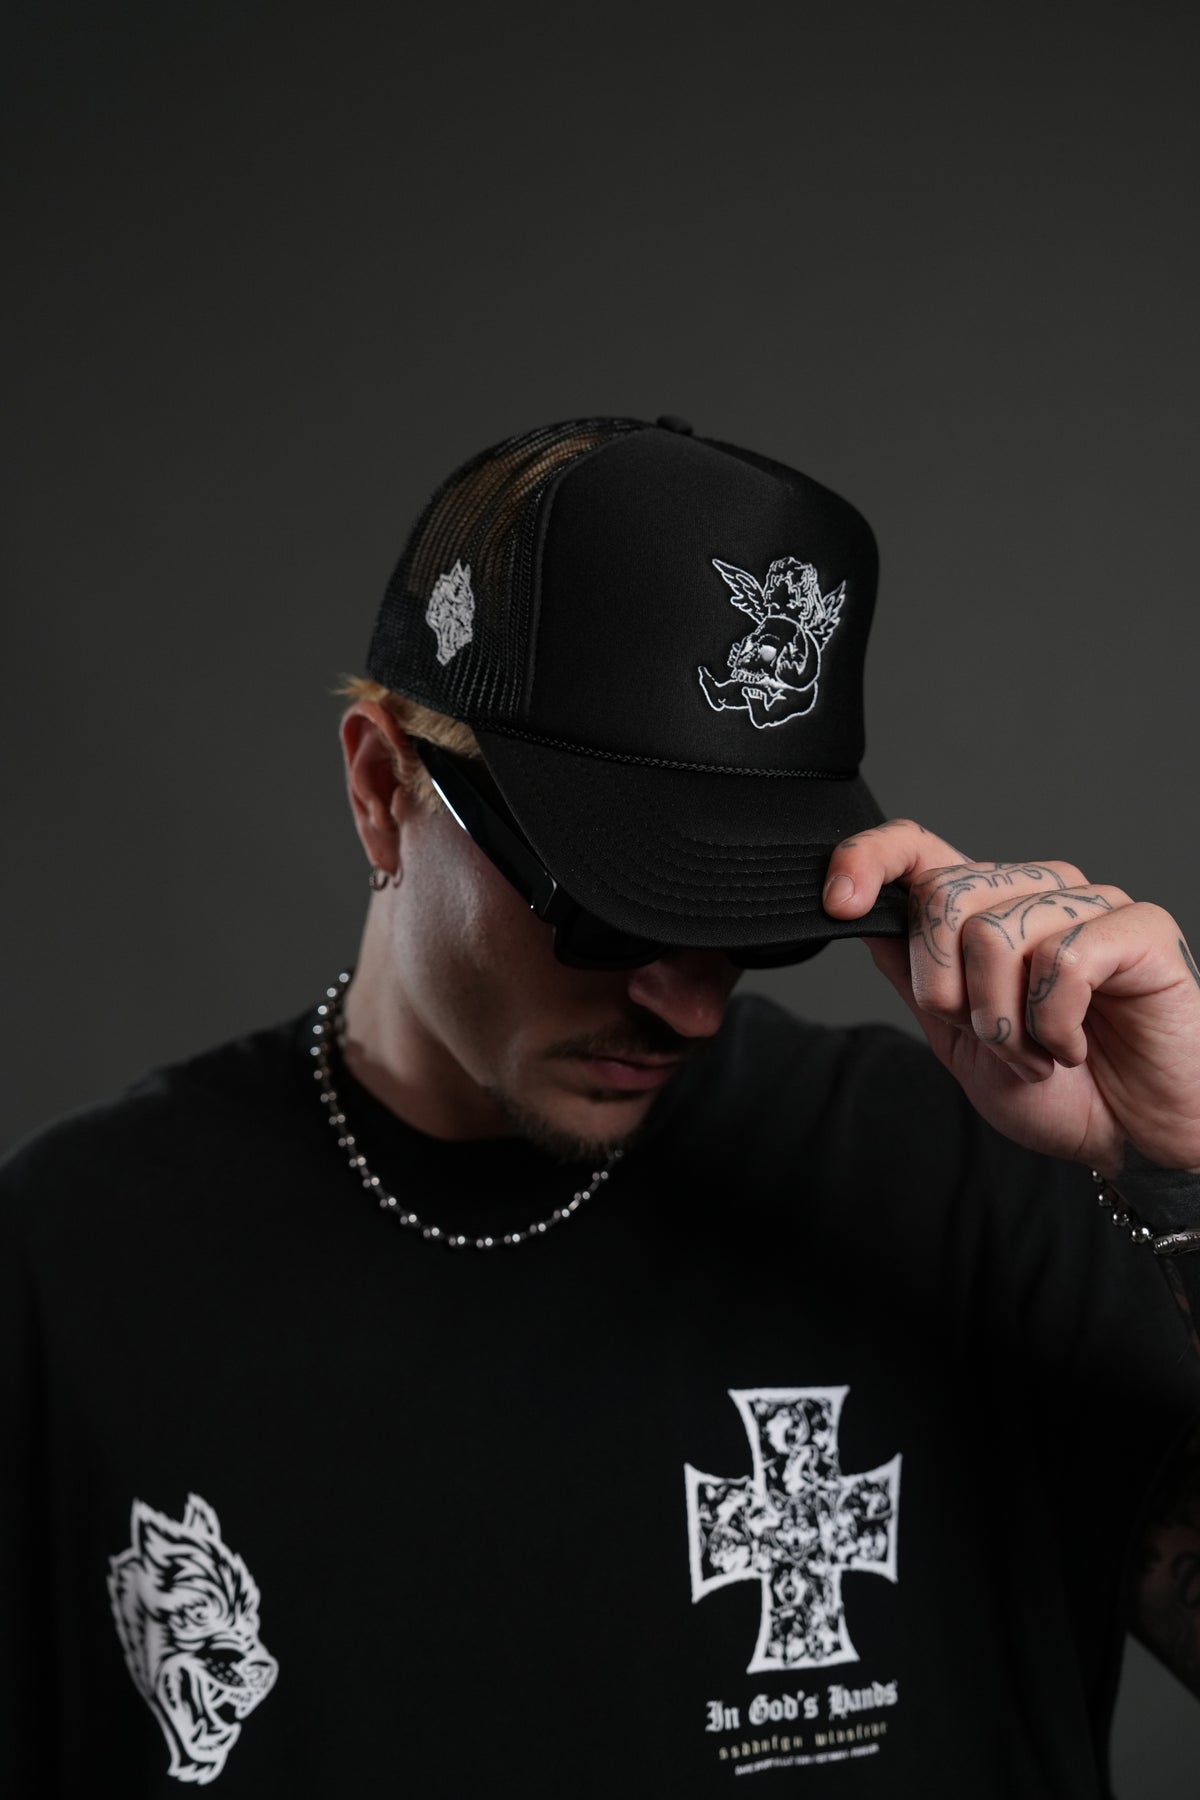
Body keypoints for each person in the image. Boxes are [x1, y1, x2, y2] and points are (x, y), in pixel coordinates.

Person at [3, 414, 1199, 1798]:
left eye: (750, 925)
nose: (690, 1007)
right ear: (383, 789)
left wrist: (1185, 1164)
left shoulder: (971, 1183)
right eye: (613, 914)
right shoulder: (69, 1265)